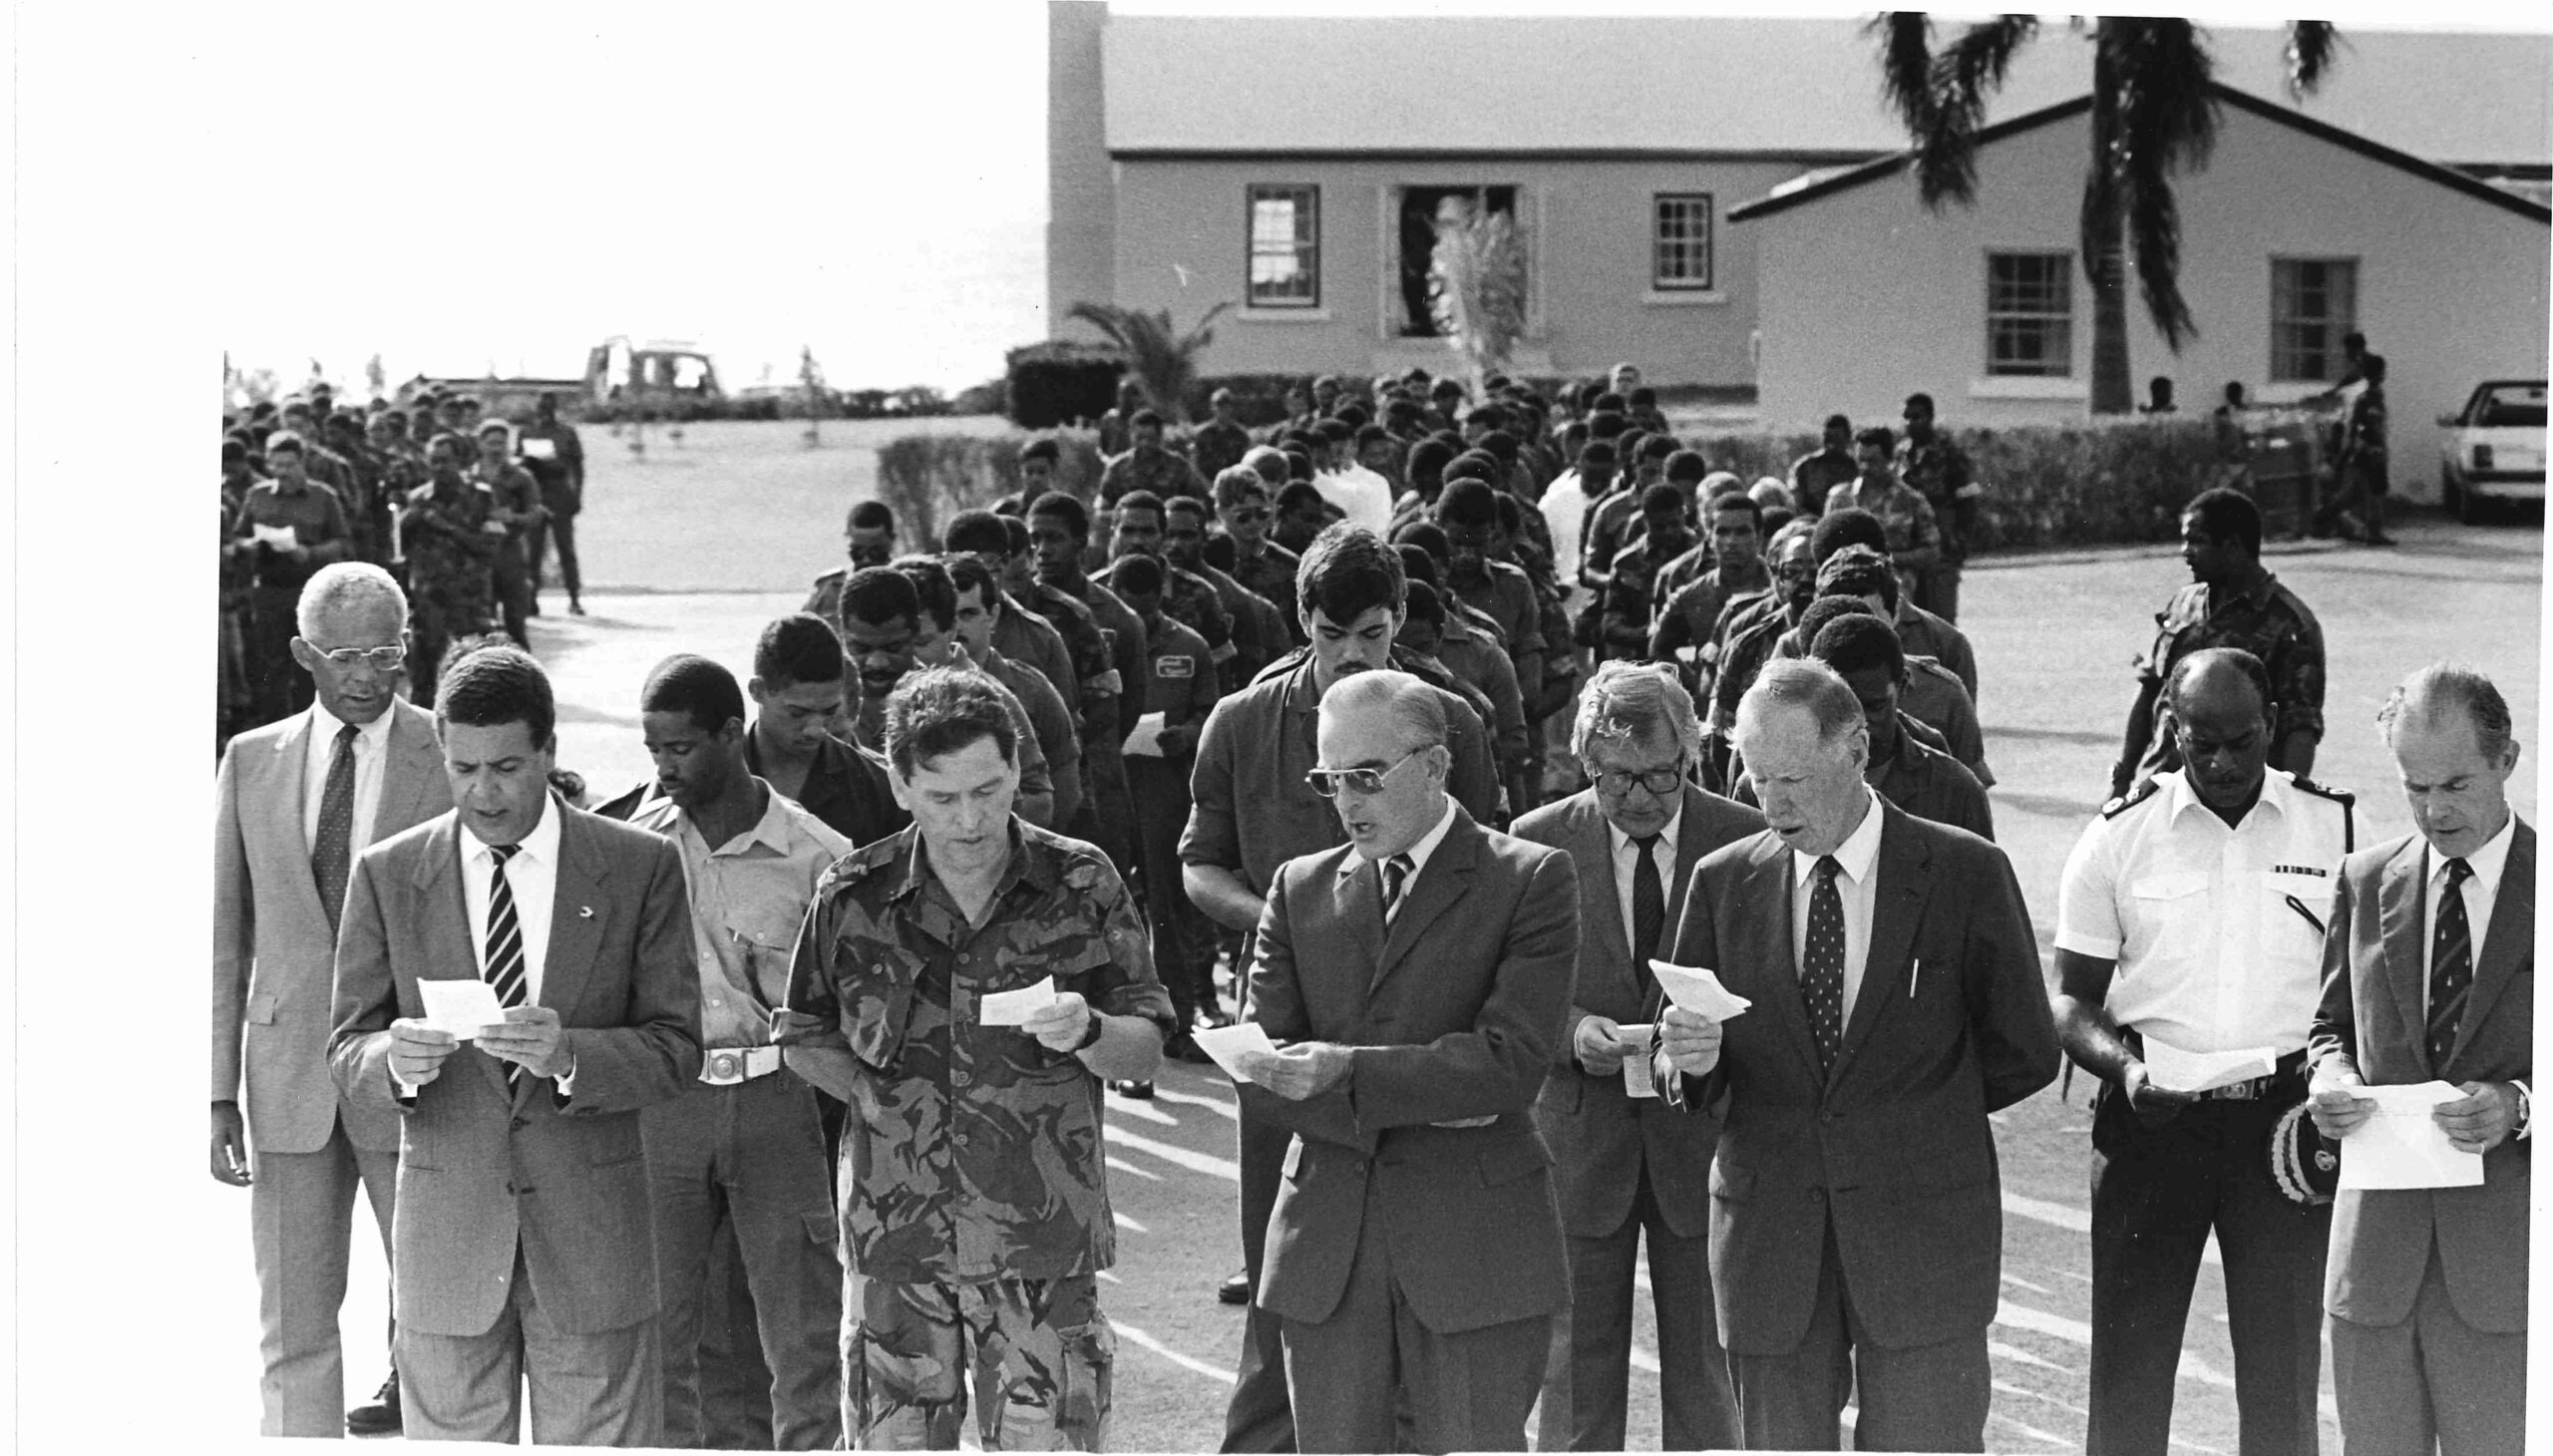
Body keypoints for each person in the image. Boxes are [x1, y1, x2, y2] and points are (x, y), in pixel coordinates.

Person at [1656, 658, 2058, 1450]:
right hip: (1772, 1246)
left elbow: (2025, 1050)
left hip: (1923, 1240)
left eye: (1794, 780)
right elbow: (1682, 1054)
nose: (1772, 804)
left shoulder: (1965, 872)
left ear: (1856, 750)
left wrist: (1911, 1117)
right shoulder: (1722, 881)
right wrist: (1693, 1061)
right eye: (1756, 779)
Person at [777, 666, 1174, 1450]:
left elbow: (1148, 1046)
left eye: (989, 790)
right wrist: (877, 1100)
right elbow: (803, 1033)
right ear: (900, 785)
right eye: (943, 797)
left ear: (1018, 770)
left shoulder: (1081, 882)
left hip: (1040, 1244)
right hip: (898, 1243)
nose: (970, 819)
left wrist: (1091, 1030)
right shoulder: (853, 894)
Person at [326, 643, 704, 1444]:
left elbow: (678, 1049)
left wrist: (573, 1057)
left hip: (594, 1250)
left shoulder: (639, 866)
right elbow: (346, 1046)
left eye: (505, 768)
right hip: (447, 1254)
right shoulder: (388, 874)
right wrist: (392, 1060)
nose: (482, 792)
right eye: (462, 768)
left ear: (549, 751)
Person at [1181, 527, 1505, 1453]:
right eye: (1331, 635)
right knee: (1284, 1262)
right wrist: (1283, 923)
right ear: (1302, 621)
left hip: (1419, 1022)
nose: (1352, 654)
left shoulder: (1450, 720)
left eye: (1371, 633)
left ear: (1400, 619)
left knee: (1416, 1260)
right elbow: (1199, 864)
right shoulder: (1241, 721)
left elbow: (1488, 864)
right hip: (1284, 1022)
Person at [1234, 669, 1578, 1453]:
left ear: (1434, 765)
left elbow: (1509, 1066)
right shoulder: (1299, 888)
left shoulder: (1530, 878)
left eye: (1365, 776)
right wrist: (1436, 1090)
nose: (1346, 801)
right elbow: (1266, 1078)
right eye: (1330, 780)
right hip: (1329, 1254)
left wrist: (1344, 1074)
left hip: (1474, 1251)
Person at [2054, 648, 2354, 1456]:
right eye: (2202, 742)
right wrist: (2125, 1069)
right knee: (2130, 1372)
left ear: (2272, 726)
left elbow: (2357, 992)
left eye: (2241, 741)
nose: (2222, 762)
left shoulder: (2333, 829)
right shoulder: (2119, 836)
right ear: (2172, 728)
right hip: (2152, 1122)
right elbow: (2071, 1001)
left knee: (2283, 1378)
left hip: (2284, 1133)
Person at [214, 564, 454, 1438]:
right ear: (302, 653)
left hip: (419, 1078)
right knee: (292, 1331)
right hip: (285, 1081)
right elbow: (225, 940)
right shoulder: (250, 761)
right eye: (344, 656)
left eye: (385, 654)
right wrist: (215, 1091)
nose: (366, 676)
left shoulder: (448, 752)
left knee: (439, 1326)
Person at [1512, 663, 1758, 1452]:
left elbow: (1771, 991)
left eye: (1661, 775)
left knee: (1711, 1375)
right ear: (1585, 762)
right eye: (1617, 778)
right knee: (1573, 1378)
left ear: (1692, 756)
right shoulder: (1535, 842)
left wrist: (1716, 1037)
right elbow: (1510, 989)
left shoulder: (1746, 839)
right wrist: (1571, 1031)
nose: (1642, 798)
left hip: (1706, 1140)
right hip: (1582, 1140)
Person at [618, 656, 852, 1450]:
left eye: (680, 748)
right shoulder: (635, 845)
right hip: (669, 1104)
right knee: (661, 1332)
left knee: (804, 1333)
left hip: (778, 1101)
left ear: (729, 734)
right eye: (654, 749)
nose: (664, 766)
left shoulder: (818, 855)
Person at [2307, 664, 2532, 1456]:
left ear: (2508, 760)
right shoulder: (2364, 879)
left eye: (2457, 785)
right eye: (2415, 788)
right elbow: (2329, 1026)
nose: (2435, 811)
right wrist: (2330, 1078)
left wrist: (2521, 1104)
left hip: (2506, 1270)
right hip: (2375, 1269)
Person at [2114, 489, 2326, 798]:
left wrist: (2288, 803)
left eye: (2196, 541)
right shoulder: (2184, 604)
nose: (2185, 552)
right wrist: (2122, 779)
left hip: (2233, 800)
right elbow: (2151, 692)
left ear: (2233, 546)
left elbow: (2300, 728)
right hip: (2161, 789)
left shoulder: (2289, 624)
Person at [1104, 552, 1221, 1061]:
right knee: (1111, 914)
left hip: (1164, 792)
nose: (1137, 621)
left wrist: (1188, 735)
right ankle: (1118, 1030)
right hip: (1110, 787)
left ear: (1160, 599)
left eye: (1146, 611)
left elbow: (1210, 711)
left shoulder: (1189, 647)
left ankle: (1178, 1022)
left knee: (1170, 912)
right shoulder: (1093, 642)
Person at [839, 564, 1057, 830]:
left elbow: (1031, 798)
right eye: (860, 648)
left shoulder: (972, 700)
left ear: (915, 632)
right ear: (842, 635)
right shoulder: (823, 705)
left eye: (893, 647)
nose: (877, 662)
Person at [1807, 611, 1995, 840]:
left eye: (1874, 707)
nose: (1859, 726)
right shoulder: (1778, 782)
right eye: (1841, 711)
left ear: (1903, 686)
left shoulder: (1953, 790)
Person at [737, 613, 909, 847]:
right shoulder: (712, 776)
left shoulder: (880, 789)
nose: (816, 730)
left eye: (829, 711)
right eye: (798, 713)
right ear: (757, 691)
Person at [232, 430, 358, 725]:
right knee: (270, 665)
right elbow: (237, 537)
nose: (283, 472)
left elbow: (342, 542)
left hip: (311, 592)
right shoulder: (257, 495)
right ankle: (274, 728)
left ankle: (313, 726)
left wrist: (310, 553)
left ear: (302, 463)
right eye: (277, 465)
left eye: (289, 465)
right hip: (269, 591)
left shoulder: (323, 497)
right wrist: (251, 545)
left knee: (310, 664)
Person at [399, 433, 503, 707]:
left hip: (469, 597)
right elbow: (401, 549)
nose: (439, 467)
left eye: (445, 460)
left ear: (459, 461)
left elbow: (490, 546)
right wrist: (408, 520)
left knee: (474, 670)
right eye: (433, 461)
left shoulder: (481, 497)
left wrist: (448, 528)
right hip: (429, 597)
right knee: (423, 673)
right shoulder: (418, 498)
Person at [1820, 427, 1942, 593]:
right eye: (1861, 460)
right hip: (1843, 589)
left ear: (1889, 459)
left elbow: (1932, 552)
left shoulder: (1912, 500)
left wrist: (1885, 558)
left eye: (1873, 461)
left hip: (1894, 592)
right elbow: (1822, 545)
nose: (1865, 466)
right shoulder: (1839, 498)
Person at [1892, 394, 1978, 622]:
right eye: (1906, 417)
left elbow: (1968, 500)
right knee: (1910, 620)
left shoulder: (1950, 453)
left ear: (1930, 418)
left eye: (1916, 417)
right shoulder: (1901, 453)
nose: (1910, 422)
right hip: (1910, 549)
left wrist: (1960, 541)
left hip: (1943, 547)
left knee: (1941, 620)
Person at [1598, 484, 1694, 662]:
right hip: (1644, 659)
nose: (1668, 532)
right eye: (1659, 526)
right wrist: (1650, 635)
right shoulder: (1626, 562)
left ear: (1684, 513)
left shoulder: (1702, 555)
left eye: (1674, 524)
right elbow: (1611, 625)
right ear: (1645, 521)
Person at [475, 419, 547, 648]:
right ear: (480, 444)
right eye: (491, 443)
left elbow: (536, 515)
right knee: (481, 623)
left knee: (515, 619)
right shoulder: (469, 477)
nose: (496, 449)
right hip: (477, 555)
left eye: (501, 443)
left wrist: (512, 518)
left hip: (509, 552)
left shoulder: (521, 477)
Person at [520, 392, 586, 616]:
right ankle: (531, 598)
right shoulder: (527, 432)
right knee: (534, 550)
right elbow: (519, 464)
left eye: (548, 408)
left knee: (566, 548)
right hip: (535, 492)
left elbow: (577, 467)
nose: (545, 412)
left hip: (559, 493)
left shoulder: (566, 433)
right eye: (541, 408)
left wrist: (577, 495)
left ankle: (574, 597)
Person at [804, 502, 899, 625]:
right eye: (857, 552)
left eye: (876, 552)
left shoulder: (912, 587)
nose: (866, 560)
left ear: (892, 541)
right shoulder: (827, 589)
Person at [1097, 409, 1212, 508]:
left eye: (1151, 438)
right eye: (1140, 438)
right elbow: (1103, 506)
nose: (1145, 443)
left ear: (1160, 436)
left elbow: (1198, 500)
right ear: (1131, 436)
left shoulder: (1178, 465)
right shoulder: (1117, 467)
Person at [1788, 415, 1857, 522]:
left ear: (1847, 438)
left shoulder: (1856, 467)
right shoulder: (1805, 466)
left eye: (1837, 438)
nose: (1831, 443)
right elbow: (1796, 499)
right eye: (1828, 437)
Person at [1193, 387, 1254, 480]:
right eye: (1219, 405)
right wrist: (1205, 484)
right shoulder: (1203, 433)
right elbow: (1195, 464)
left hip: (1234, 482)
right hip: (1208, 482)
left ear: (1231, 408)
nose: (1223, 409)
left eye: (1226, 405)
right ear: (1212, 407)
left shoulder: (1240, 434)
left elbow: (1247, 463)